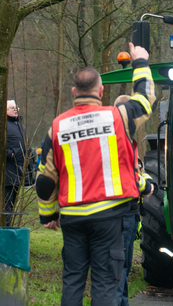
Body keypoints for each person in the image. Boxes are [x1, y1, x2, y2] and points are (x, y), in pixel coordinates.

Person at [36, 42, 156, 306]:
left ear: (73, 92)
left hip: (72, 218)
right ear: (101, 91)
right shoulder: (118, 116)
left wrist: (48, 214)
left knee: (73, 279)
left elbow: (46, 180)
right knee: (105, 282)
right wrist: (140, 62)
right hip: (108, 216)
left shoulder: (57, 127)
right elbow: (145, 99)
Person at [113, 94, 156, 306]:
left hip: (129, 211)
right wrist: (147, 186)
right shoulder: (118, 139)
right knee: (119, 267)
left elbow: (136, 170)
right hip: (121, 211)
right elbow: (125, 175)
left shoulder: (128, 138)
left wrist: (145, 179)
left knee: (124, 266)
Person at [5, 100, 34, 226]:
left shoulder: (20, 125)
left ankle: (9, 231)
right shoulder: (3, 125)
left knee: (12, 206)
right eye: (12, 108)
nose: (15, 109)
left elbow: (25, 146)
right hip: (7, 173)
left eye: (16, 107)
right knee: (5, 205)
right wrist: (12, 154)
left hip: (18, 172)